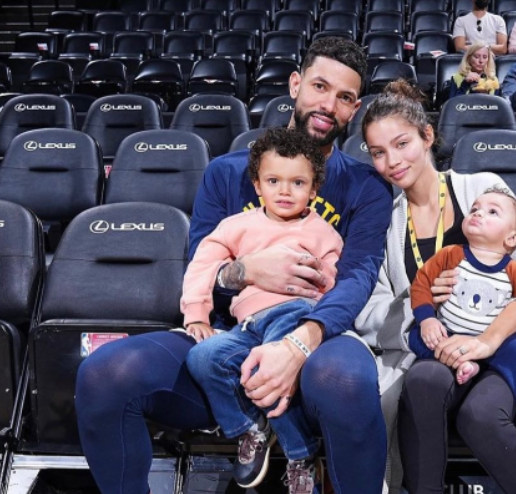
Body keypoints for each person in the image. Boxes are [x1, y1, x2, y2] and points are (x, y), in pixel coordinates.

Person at [75, 36, 393, 494]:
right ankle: (244, 429)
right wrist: (246, 272)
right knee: (104, 373)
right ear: (295, 84)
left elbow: (357, 276)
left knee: (344, 378)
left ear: (354, 108)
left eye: (344, 98)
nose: (328, 105)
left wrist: (299, 345)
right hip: (229, 334)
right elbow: (202, 259)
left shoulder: (365, 186)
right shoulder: (226, 172)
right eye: (320, 87)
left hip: (318, 336)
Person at [355, 79, 516, 494]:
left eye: (401, 144)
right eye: (378, 153)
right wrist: (421, 307)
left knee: (480, 416)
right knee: (423, 383)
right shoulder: (384, 219)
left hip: (507, 345)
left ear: (427, 136)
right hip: (437, 352)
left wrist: (487, 340)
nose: (391, 161)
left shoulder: (482, 189)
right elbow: (369, 312)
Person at [182, 127, 343, 490]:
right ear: (257, 185)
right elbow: (202, 265)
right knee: (203, 358)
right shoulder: (235, 226)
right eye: (274, 180)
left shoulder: (324, 234)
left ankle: (301, 456)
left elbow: (331, 287)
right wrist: (196, 312)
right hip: (247, 325)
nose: (285, 191)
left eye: (297, 183)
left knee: (266, 370)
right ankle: (248, 430)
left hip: (293, 316)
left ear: (314, 190)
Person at [409, 188, 516, 426]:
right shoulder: (450, 254)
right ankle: (463, 364)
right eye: (475, 209)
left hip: (494, 342)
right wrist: (427, 319)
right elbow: (422, 283)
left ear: (512, 238)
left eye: (492, 212)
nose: (478, 213)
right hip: (450, 333)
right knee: (418, 337)